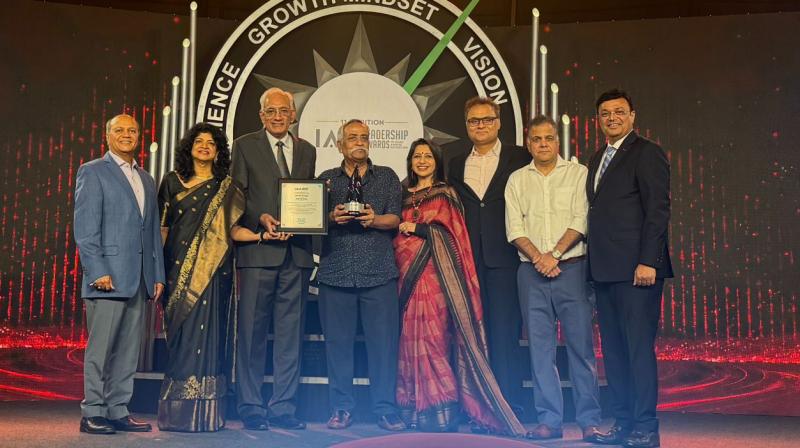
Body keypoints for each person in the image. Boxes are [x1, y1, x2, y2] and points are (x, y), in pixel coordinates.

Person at [394, 139, 526, 436]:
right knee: (407, 340)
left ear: (437, 161)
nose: (423, 161)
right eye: (417, 156)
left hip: (435, 279)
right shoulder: (401, 194)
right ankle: (412, 405)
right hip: (405, 280)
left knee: (434, 340)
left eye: (428, 156)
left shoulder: (446, 193)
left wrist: (420, 229)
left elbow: (454, 238)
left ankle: (441, 407)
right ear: (410, 161)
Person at [583, 89, 673, 448]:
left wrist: (648, 260)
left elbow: (658, 211)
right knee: (615, 353)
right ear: (598, 120)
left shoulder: (647, 153)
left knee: (637, 351)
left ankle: (646, 428)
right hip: (605, 271)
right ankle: (622, 425)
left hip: (639, 271)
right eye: (605, 113)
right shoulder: (595, 158)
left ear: (633, 116)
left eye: (619, 112)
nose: (612, 118)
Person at [505, 116, 601, 441]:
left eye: (548, 138)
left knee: (581, 349)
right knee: (540, 351)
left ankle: (589, 420)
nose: (543, 144)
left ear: (558, 142)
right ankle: (550, 420)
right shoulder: (517, 179)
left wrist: (554, 255)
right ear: (528, 142)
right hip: (530, 273)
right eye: (536, 139)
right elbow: (514, 228)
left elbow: (581, 219)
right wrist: (539, 259)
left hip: (571, 269)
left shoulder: (578, 174)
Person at [230, 88, 317, 431]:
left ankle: (283, 407)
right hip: (257, 252)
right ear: (261, 115)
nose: (278, 117)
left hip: (295, 255)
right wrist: (261, 218)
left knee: (289, 336)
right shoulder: (245, 145)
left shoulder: (307, 150)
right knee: (251, 334)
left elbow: (308, 197)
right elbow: (237, 195)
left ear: (293, 114)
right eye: (271, 111)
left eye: (284, 111)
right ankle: (250, 405)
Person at [74, 114, 165, 434]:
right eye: (119, 130)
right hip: (106, 278)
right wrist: (96, 270)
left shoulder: (147, 178)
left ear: (140, 136)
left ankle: (117, 409)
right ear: (107, 135)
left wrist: (157, 274)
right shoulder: (93, 171)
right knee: (101, 350)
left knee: (127, 352)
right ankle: (93, 412)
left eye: (132, 130)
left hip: (139, 278)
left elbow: (152, 231)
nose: (126, 135)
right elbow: (85, 230)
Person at [317, 119, 405, 432]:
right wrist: (330, 216)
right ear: (340, 144)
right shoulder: (326, 180)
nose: (360, 141)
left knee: (383, 348)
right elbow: (311, 220)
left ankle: (385, 409)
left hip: (378, 273)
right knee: (337, 347)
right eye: (352, 137)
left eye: (365, 137)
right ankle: (341, 409)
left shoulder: (388, 177)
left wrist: (375, 218)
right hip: (335, 273)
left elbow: (396, 217)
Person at [156, 123, 244, 432]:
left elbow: (231, 232)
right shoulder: (171, 181)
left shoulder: (227, 187)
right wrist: (157, 271)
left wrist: (263, 235)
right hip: (177, 270)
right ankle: (177, 414)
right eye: (199, 141)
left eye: (211, 143)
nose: (205, 146)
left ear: (219, 151)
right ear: (189, 147)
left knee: (210, 336)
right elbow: (162, 229)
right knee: (182, 338)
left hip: (214, 273)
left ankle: (207, 416)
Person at [447, 97, 531, 411]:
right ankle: (476, 404)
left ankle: (509, 404)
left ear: (498, 122)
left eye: (486, 119)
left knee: (505, 331)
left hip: (507, 257)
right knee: (471, 333)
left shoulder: (519, 157)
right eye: (473, 121)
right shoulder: (455, 162)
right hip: (466, 259)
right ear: (466, 125)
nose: (480, 125)